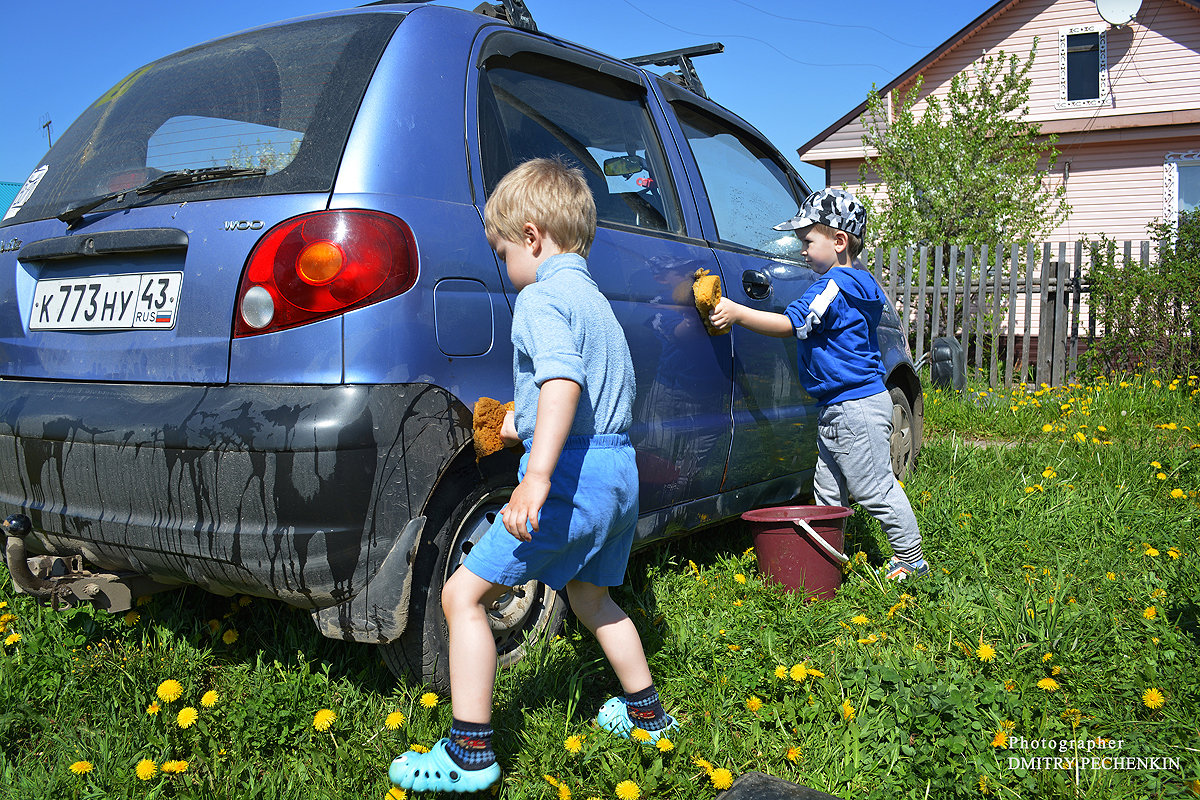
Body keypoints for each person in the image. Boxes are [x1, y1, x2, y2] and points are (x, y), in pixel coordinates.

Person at [389, 158, 675, 794]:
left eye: (501, 252)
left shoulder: (540, 298)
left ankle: (469, 753)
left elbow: (563, 384)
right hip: (617, 471)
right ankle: (649, 716)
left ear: (531, 236)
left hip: (570, 475)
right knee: (593, 597)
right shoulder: (595, 303)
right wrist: (517, 425)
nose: (504, 267)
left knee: (462, 596)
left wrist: (536, 474)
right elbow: (593, 399)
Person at [709, 187, 929, 581]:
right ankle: (826, 563)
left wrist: (738, 311)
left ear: (839, 241)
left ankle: (911, 560)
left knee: (874, 488)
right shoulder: (865, 286)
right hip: (841, 407)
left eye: (808, 241)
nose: (802, 251)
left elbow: (791, 325)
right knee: (827, 492)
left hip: (854, 407)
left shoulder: (831, 288)